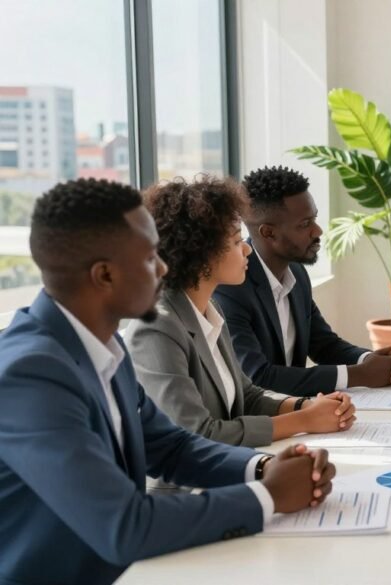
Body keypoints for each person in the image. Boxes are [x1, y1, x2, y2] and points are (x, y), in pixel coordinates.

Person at [0, 178, 335, 584]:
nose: (163, 267)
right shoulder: (29, 375)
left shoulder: (103, 345)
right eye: (148, 258)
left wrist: (265, 467)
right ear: (104, 275)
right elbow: (124, 525)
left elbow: (171, 447)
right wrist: (268, 495)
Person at [127, 176, 357, 457]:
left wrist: (306, 406)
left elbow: (247, 396)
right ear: (202, 255)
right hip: (187, 490)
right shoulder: (157, 328)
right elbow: (198, 432)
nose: (247, 248)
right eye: (237, 241)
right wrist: (304, 420)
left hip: (230, 468)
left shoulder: (210, 310)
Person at [214, 165, 391, 396]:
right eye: (305, 224)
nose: (317, 231)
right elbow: (257, 377)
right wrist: (360, 374)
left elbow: (323, 345)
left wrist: (371, 360)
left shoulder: (297, 273)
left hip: (298, 412)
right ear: (268, 233)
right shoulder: (230, 288)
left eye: (313, 219)